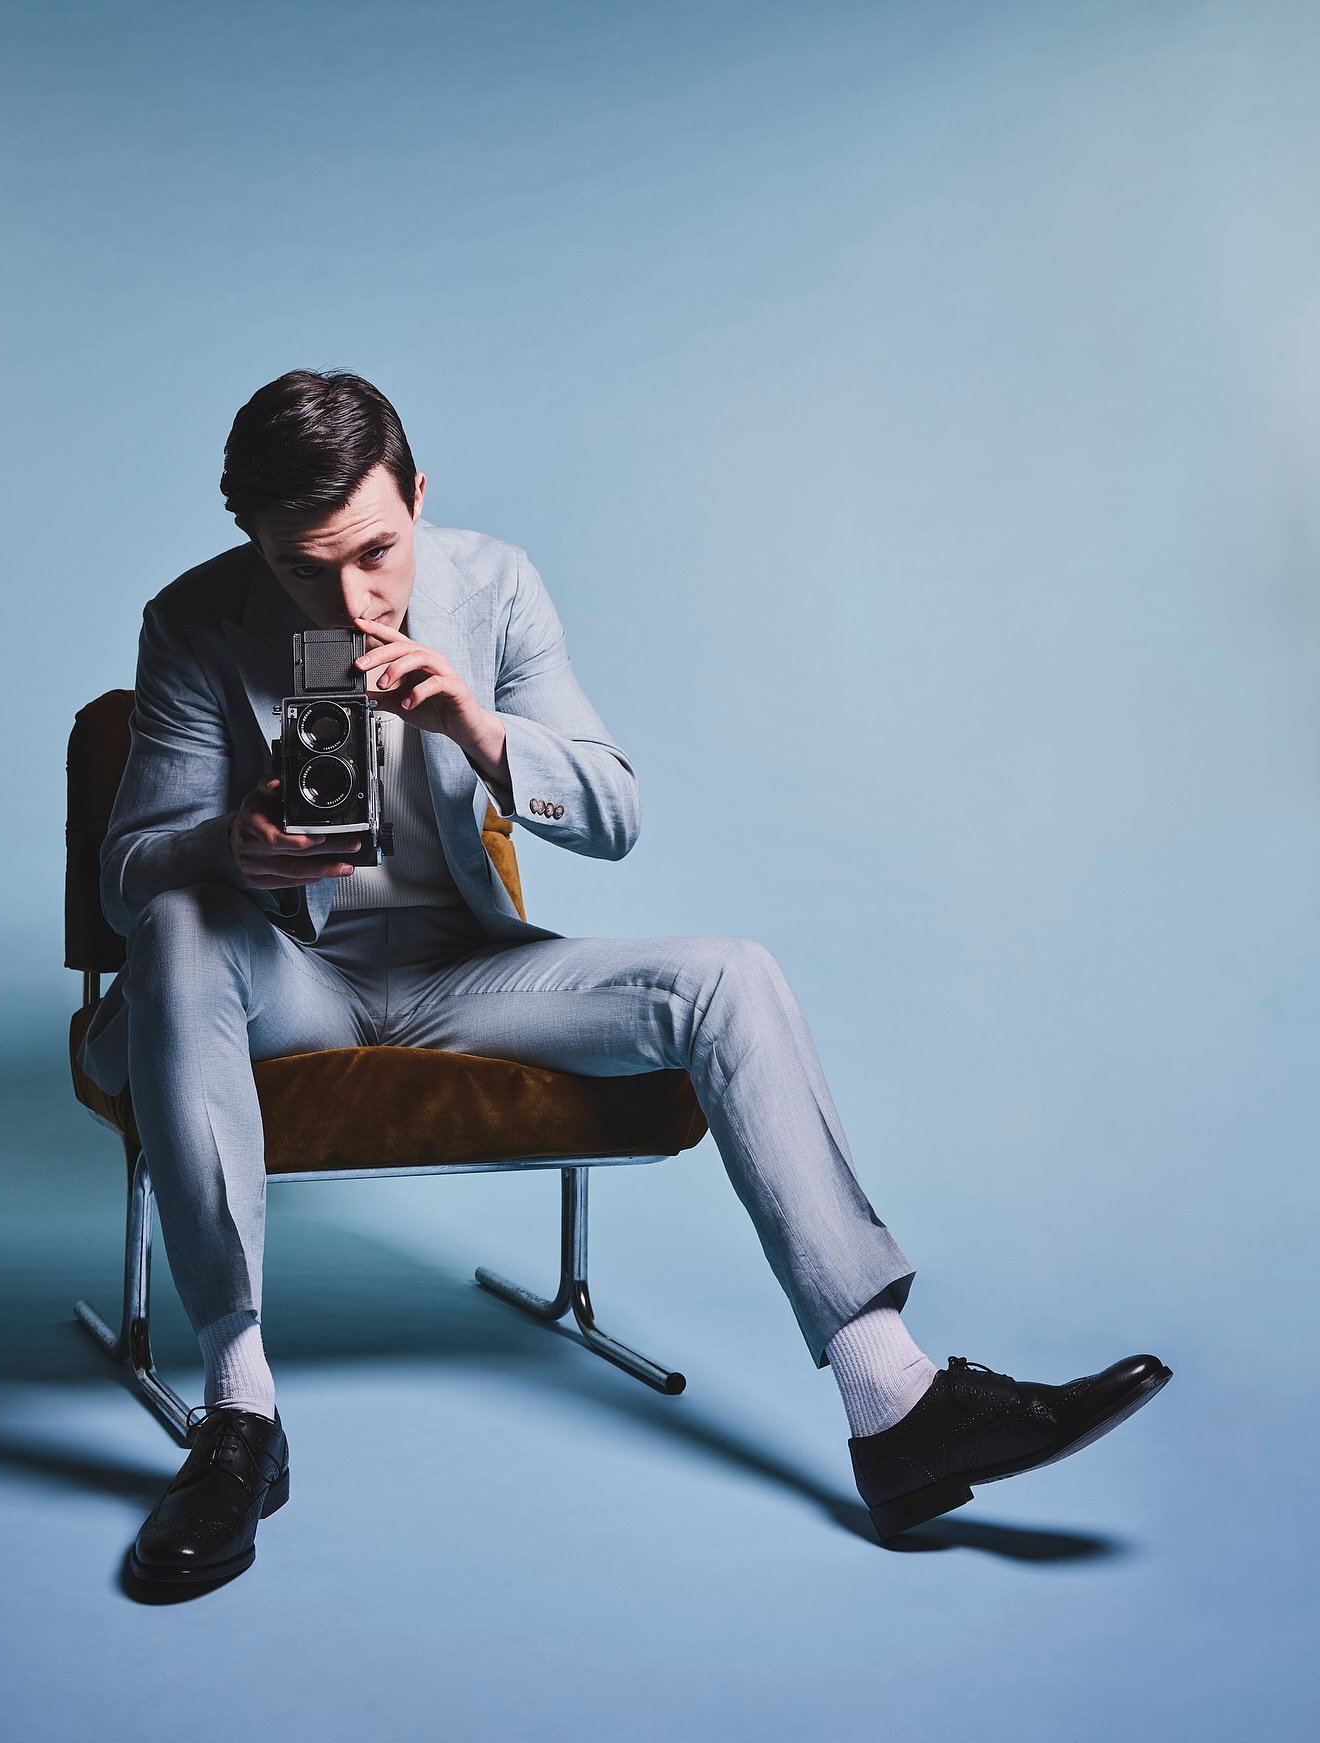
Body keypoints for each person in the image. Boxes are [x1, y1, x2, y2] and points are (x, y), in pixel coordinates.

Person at [81, 369, 1171, 1585]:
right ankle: (240, 1416)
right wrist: (228, 843)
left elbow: (615, 815)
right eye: (303, 568)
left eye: (377, 553)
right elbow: (129, 874)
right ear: (251, 540)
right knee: (174, 925)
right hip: (283, 974)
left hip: (462, 979)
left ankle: (898, 1404)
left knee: (732, 977)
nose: (352, 596)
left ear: (420, 497)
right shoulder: (192, 620)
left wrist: (481, 732)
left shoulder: (493, 586)